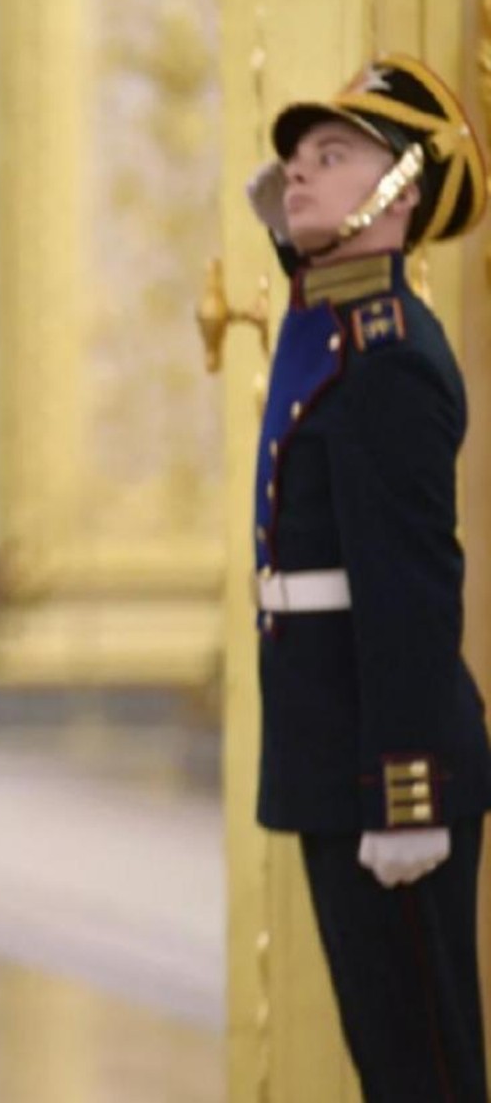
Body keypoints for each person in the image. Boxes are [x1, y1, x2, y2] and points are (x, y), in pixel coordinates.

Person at [247, 53, 491, 1100]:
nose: (298, 172)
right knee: (389, 1059)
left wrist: (407, 792)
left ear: (401, 191)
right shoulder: (332, 325)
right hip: (330, 747)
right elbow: (306, 277)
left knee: (422, 1069)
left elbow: (409, 593)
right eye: (294, 157)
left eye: (333, 154)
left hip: (382, 762)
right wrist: (292, 215)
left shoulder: (386, 357)